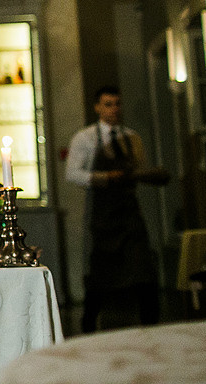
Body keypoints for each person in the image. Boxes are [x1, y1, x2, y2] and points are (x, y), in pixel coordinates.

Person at [66, 85, 164, 332]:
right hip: (103, 215)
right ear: (97, 107)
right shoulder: (85, 138)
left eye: (118, 104)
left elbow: (139, 168)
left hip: (129, 212)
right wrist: (105, 177)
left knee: (143, 268)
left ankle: (152, 327)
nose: (114, 109)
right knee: (101, 271)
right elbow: (72, 173)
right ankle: (88, 325)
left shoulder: (132, 137)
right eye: (108, 104)